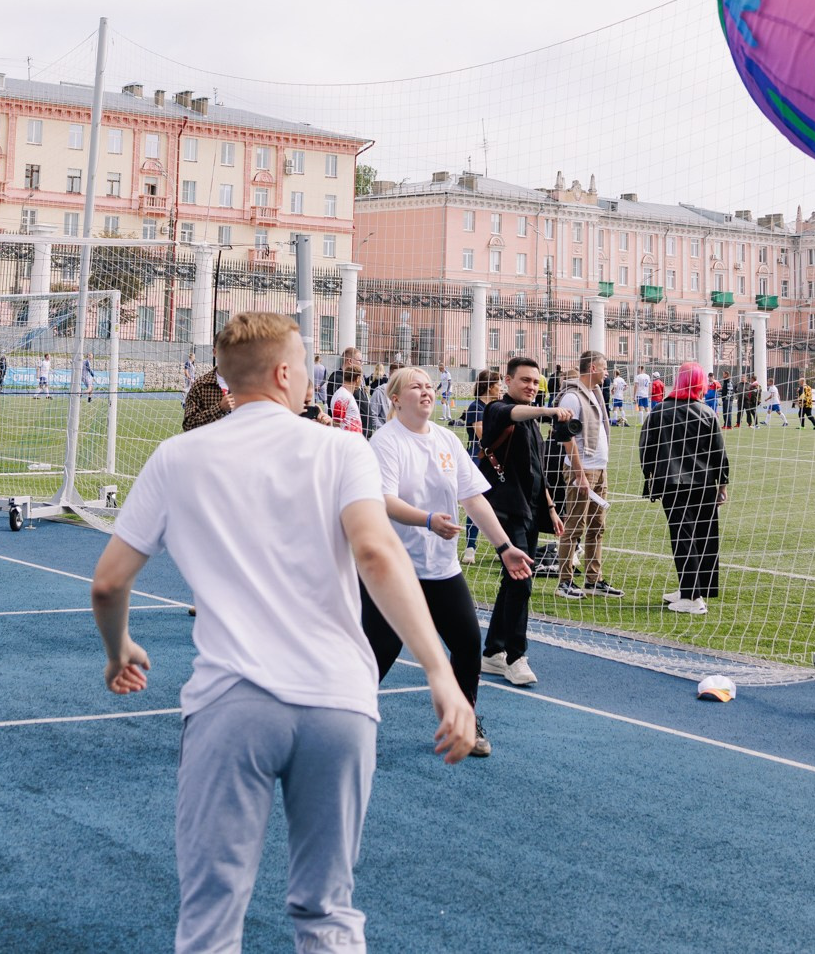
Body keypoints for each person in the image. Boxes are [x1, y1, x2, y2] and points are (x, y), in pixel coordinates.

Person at [88, 311, 476, 953]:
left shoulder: (177, 457)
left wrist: (118, 649)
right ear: (285, 372)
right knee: (327, 909)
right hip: (339, 703)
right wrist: (440, 671)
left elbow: (107, 583)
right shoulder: (341, 448)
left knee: (212, 912)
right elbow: (378, 556)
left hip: (232, 703)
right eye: (306, 364)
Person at [365, 365, 531, 760]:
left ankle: (465, 720)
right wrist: (426, 520)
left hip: (442, 568)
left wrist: (504, 547)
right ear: (395, 398)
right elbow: (385, 500)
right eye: (415, 387)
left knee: (468, 644)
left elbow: (473, 499)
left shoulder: (446, 439)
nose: (425, 392)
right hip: (396, 568)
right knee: (379, 651)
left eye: (428, 386)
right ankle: (342, 717)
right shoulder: (386, 442)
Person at [475, 356, 571, 686]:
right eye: (525, 381)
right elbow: (513, 413)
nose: (531, 386)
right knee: (522, 580)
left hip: (530, 510)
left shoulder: (531, 424)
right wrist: (548, 411)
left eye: (536, 382)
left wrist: (552, 509)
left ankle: (492, 652)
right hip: (505, 510)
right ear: (508, 381)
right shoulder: (498, 410)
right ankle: (516, 655)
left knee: (513, 581)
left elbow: (539, 473)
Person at [642, 368, 729, 613]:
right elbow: (718, 453)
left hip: (673, 484)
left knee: (683, 538)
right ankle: (690, 589)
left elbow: (647, 447)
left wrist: (650, 478)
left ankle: (693, 598)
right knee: (703, 536)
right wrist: (722, 484)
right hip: (703, 485)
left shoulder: (660, 411)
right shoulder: (707, 412)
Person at [553, 351, 621, 600]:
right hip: (582, 470)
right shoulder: (572, 397)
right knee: (574, 526)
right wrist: (579, 473)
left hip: (599, 469)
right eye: (604, 368)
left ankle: (594, 579)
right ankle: (565, 582)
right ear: (592, 367)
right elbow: (565, 436)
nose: (607, 372)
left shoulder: (595, 393)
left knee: (597, 526)